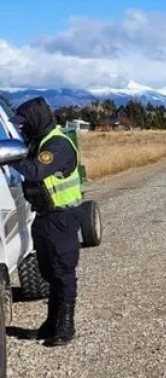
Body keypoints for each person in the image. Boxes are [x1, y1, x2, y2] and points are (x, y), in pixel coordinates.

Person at [11, 97, 82, 346]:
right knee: (50, 273)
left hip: (61, 218)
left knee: (63, 273)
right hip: (43, 217)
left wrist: (11, 156)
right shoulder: (39, 143)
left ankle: (65, 326)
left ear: (36, 120)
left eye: (24, 123)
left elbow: (34, 171)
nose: (21, 128)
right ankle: (50, 324)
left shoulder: (57, 144)